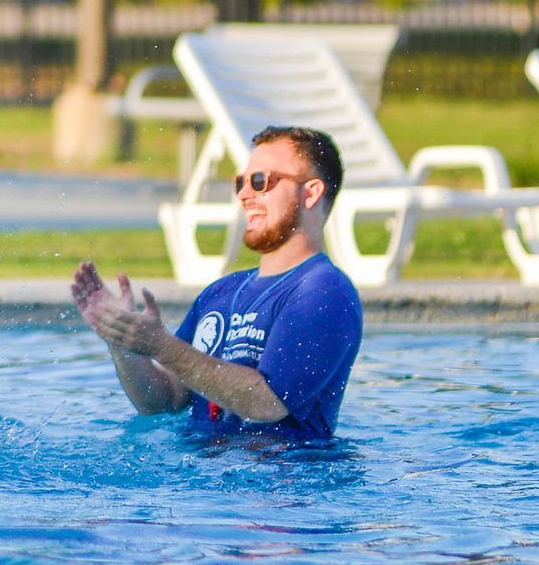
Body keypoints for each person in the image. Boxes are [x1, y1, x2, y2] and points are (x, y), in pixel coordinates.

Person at [70, 124, 363, 442]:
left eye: (261, 181)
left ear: (311, 192)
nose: (244, 194)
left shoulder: (324, 291)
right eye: (241, 182)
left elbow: (267, 403)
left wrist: (162, 346)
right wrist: (122, 339)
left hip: (281, 485)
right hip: (205, 482)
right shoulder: (221, 293)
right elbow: (165, 402)